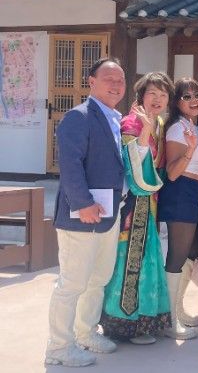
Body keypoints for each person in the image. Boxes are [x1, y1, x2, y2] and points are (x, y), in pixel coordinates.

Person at [46, 58, 126, 367]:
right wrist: (82, 203)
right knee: (72, 284)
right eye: (109, 79)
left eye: (120, 80)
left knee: (98, 278)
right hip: (82, 215)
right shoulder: (78, 117)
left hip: (109, 213)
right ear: (91, 82)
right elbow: (69, 164)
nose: (116, 85)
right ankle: (58, 347)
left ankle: (85, 333)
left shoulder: (117, 119)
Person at [100, 72, 173, 345]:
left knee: (147, 259)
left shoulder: (159, 123)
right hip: (132, 202)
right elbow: (132, 168)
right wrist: (144, 132)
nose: (157, 99)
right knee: (130, 260)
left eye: (163, 95)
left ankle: (145, 320)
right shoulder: (131, 123)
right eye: (152, 93)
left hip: (149, 203)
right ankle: (125, 324)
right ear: (141, 96)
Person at [158, 78, 198, 341]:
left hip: (195, 192)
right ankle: (169, 319)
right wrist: (189, 151)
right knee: (177, 256)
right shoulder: (178, 128)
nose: (194, 100)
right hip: (180, 192)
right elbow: (173, 173)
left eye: (197, 95)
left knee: (193, 249)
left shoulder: (195, 126)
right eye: (186, 97)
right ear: (177, 102)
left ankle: (177, 307)